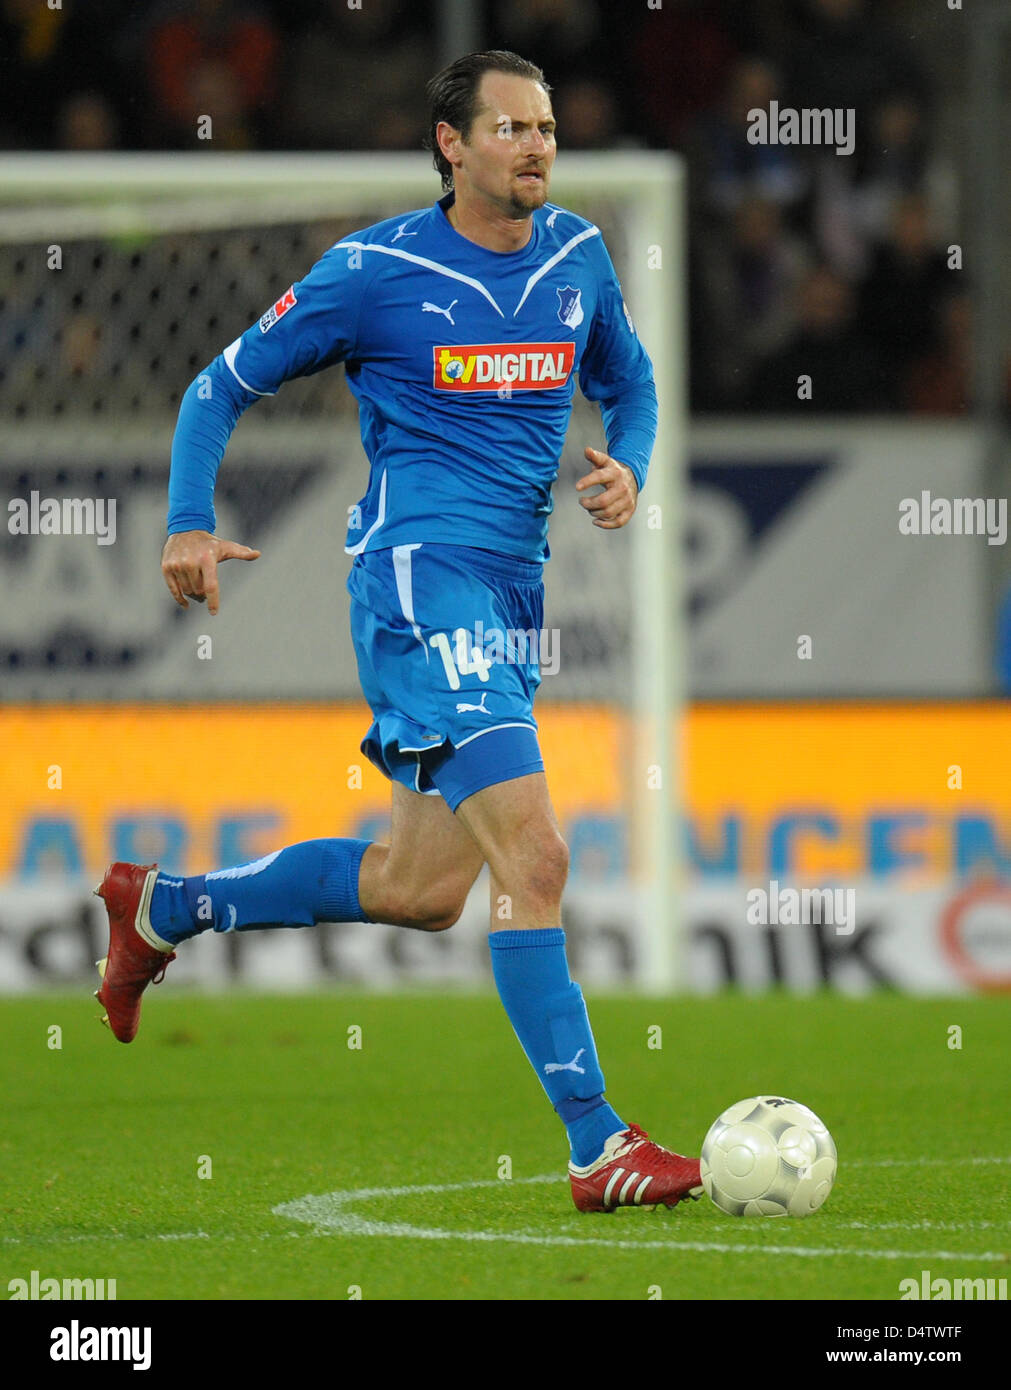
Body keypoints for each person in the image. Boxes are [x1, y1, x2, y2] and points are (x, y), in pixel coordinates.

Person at [94, 50, 702, 1215]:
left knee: (420, 887)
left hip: (509, 592)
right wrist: (185, 521)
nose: (537, 146)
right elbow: (215, 387)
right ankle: (597, 1143)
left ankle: (167, 905)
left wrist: (631, 459)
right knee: (538, 857)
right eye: (511, 128)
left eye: (547, 128)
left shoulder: (576, 254)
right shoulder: (372, 272)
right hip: (421, 582)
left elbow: (632, 378)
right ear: (451, 144)